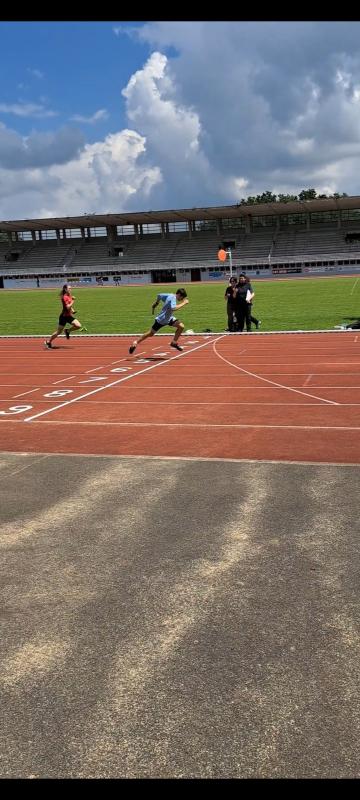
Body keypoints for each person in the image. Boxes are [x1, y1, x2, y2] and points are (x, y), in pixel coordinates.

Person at [129, 289, 189, 354]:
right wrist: (184, 303)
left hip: (169, 318)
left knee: (181, 326)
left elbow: (159, 295)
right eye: (182, 298)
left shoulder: (170, 295)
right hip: (162, 319)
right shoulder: (173, 298)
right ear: (179, 295)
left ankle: (174, 343)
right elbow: (173, 308)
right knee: (151, 333)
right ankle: (135, 342)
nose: (181, 299)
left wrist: (156, 303)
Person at [45, 283, 87, 349]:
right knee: (58, 332)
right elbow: (67, 307)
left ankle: (67, 331)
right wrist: (73, 301)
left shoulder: (69, 295)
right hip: (63, 317)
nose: (71, 289)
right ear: (65, 289)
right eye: (69, 288)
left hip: (68, 316)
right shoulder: (64, 297)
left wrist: (73, 311)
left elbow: (69, 306)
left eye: (71, 288)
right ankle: (48, 342)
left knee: (78, 325)